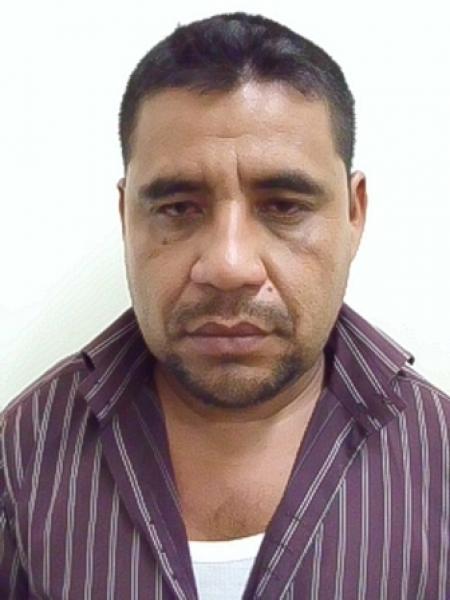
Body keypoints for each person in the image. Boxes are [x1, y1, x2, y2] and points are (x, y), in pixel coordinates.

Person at [1, 11, 448, 600]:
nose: (229, 266)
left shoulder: (439, 457)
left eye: (284, 206)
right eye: (178, 208)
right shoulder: (23, 454)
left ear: (352, 213)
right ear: (126, 216)